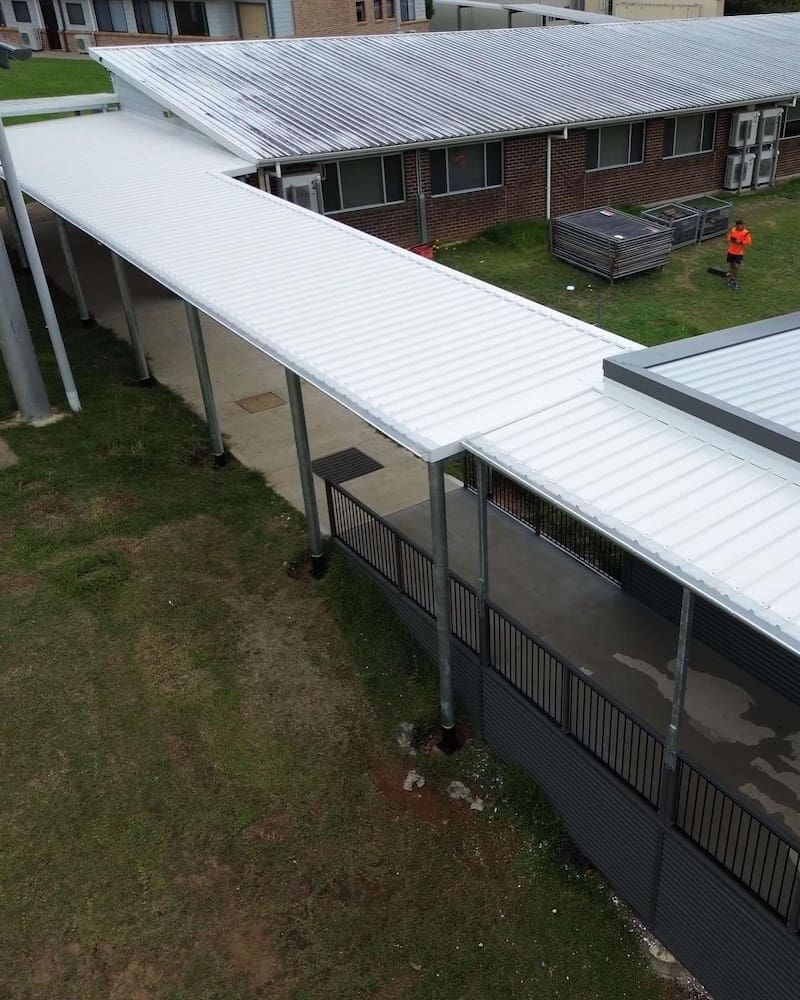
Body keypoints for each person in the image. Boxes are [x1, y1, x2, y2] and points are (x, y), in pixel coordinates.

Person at [726, 219, 752, 288]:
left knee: (736, 265)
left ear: (742, 225)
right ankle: (731, 277)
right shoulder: (733, 230)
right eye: (737, 226)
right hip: (731, 250)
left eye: (740, 226)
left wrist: (740, 242)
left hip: (739, 252)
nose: (738, 227)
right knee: (731, 264)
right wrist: (731, 239)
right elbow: (729, 237)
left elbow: (749, 242)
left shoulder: (746, 232)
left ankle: (734, 278)